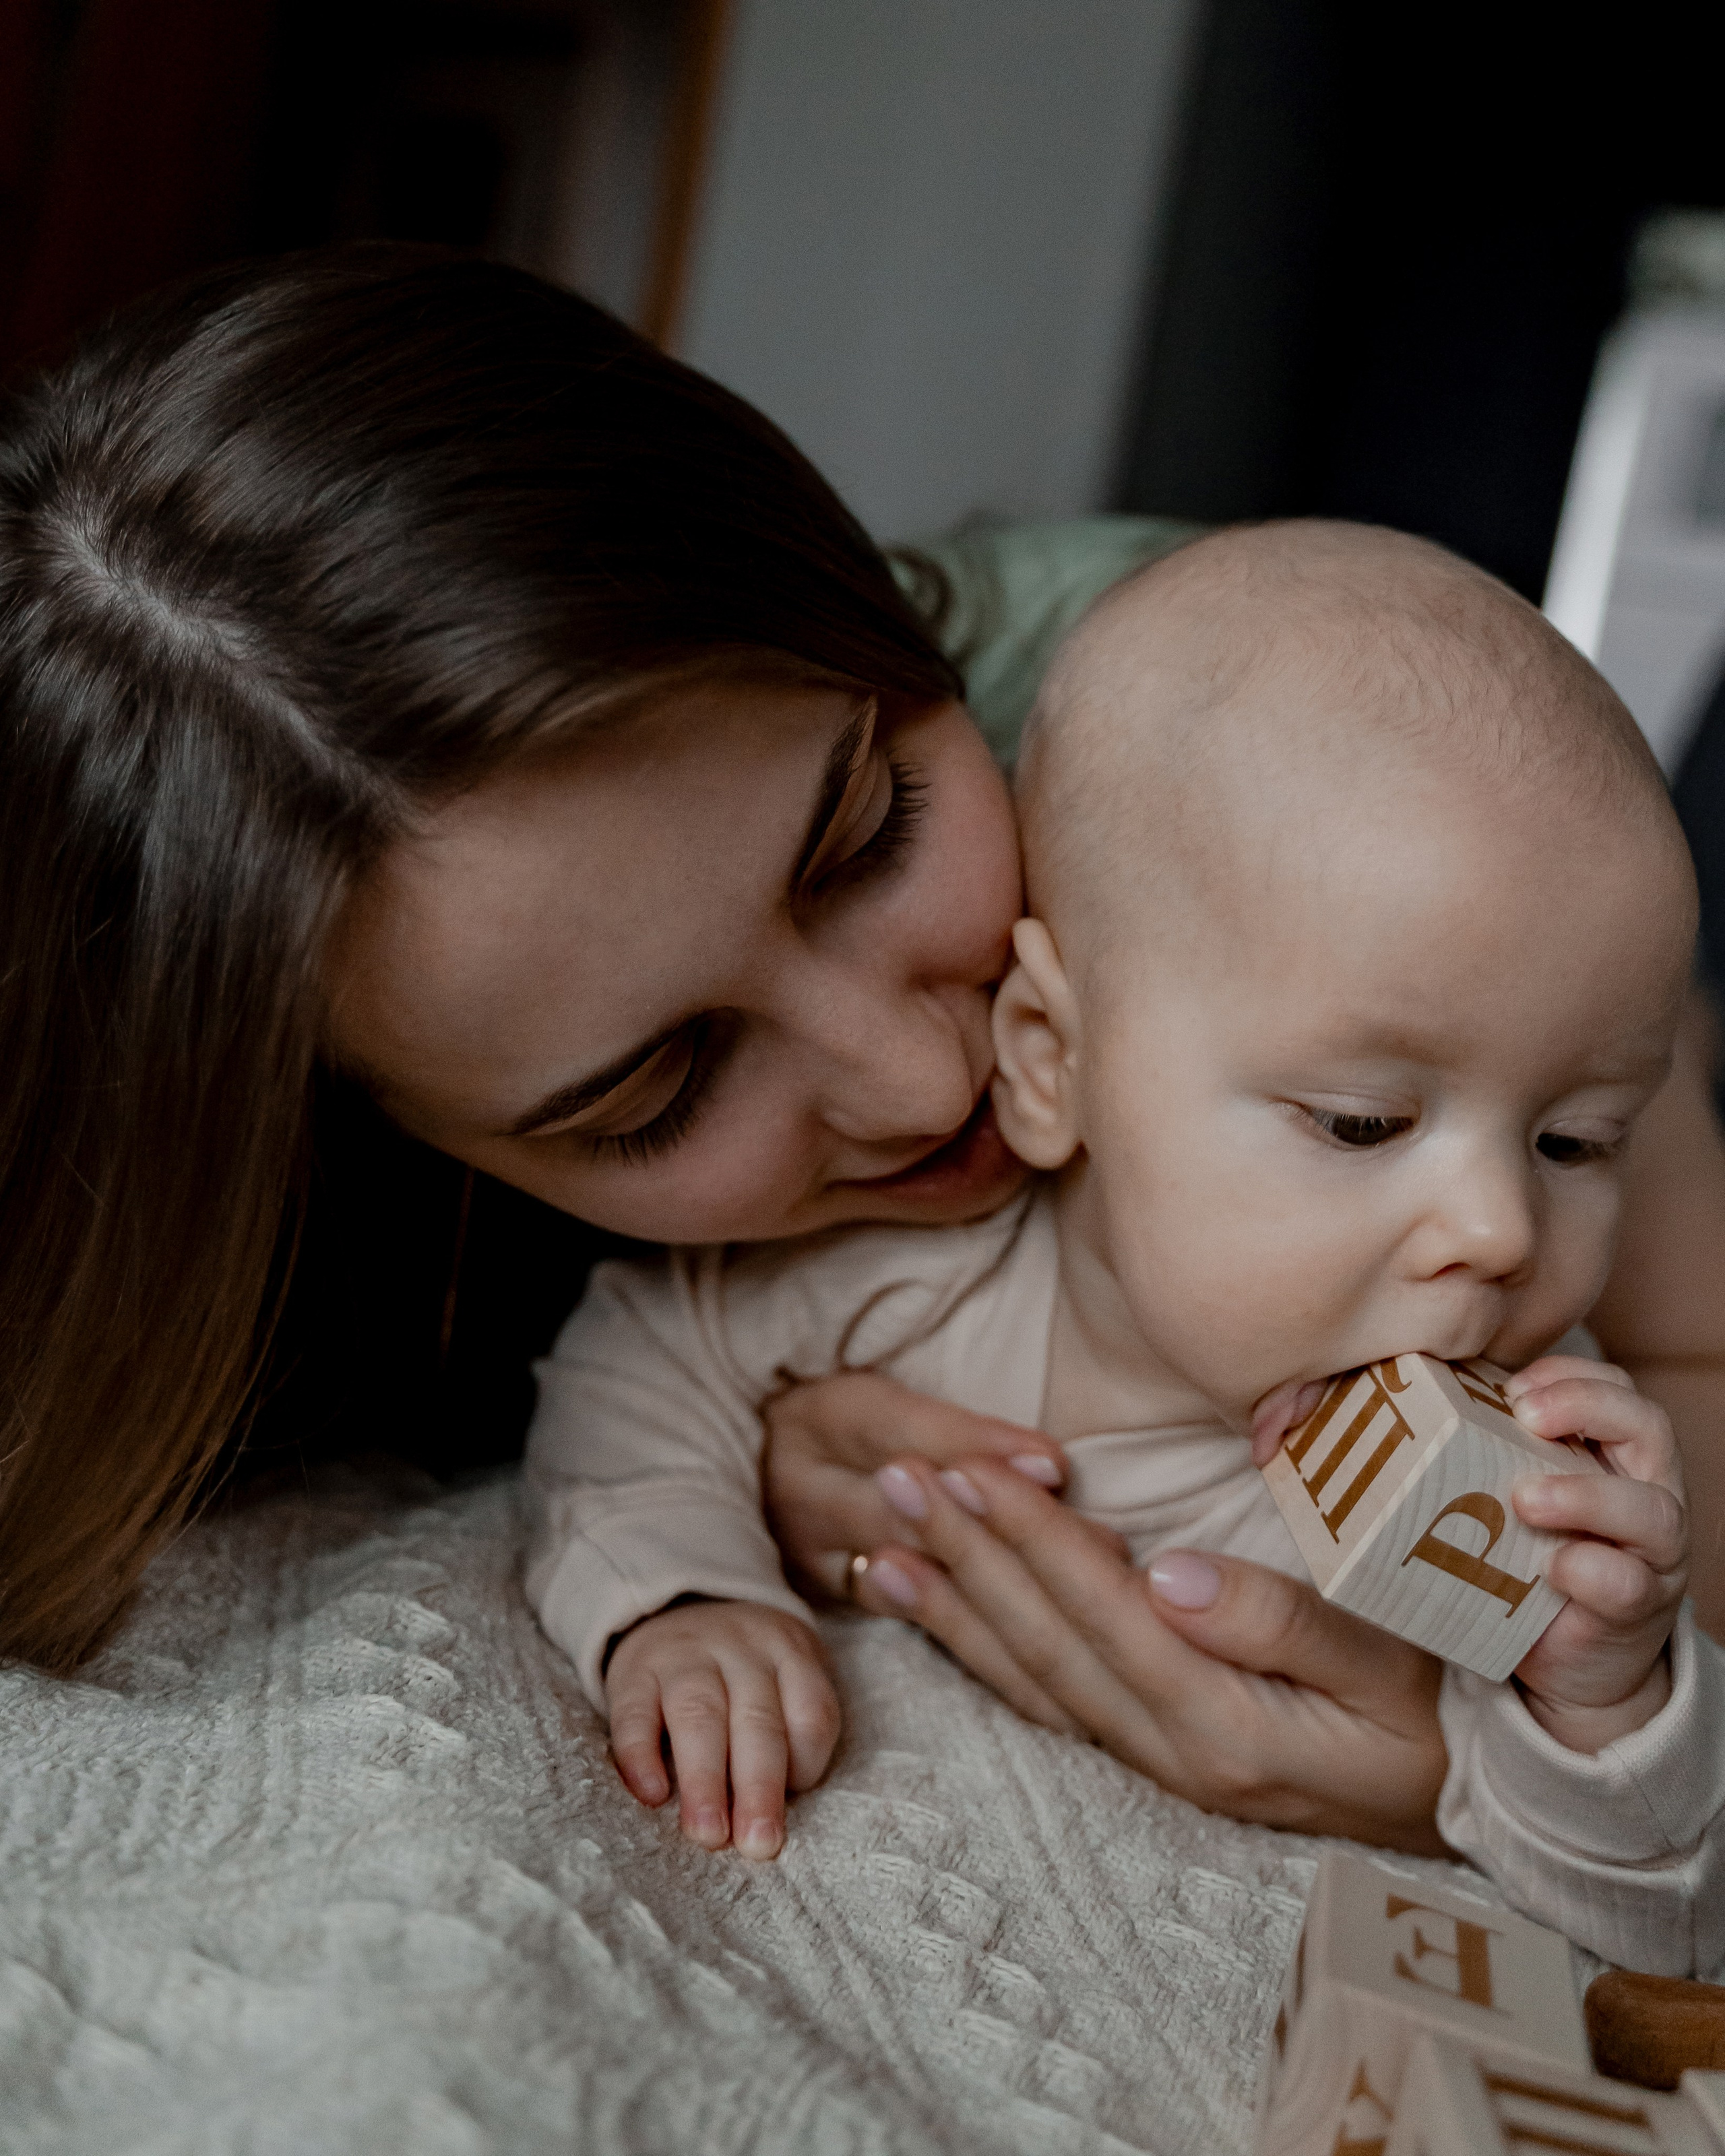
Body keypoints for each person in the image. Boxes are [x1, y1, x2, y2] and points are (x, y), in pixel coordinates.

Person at [5, 251, 1724, 1870]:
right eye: (660, 1092)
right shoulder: (344, 1272)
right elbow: (637, 1398)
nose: (922, 1080)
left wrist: (1497, 1775)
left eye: (870, 830)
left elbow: (1680, 1351)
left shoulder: (1260, 740)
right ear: (422, 1167)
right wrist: (711, 1519)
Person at [522, 524, 1720, 1971]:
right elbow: (644, 1365)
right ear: (1047, 1056)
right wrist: (684, 1592)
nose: (1497, 1231)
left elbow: (1661, 1921)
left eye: (1575, 1139)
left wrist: (1603, 1697)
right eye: (1357, 1124)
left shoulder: (1525, 1479)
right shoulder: (900, 1275)